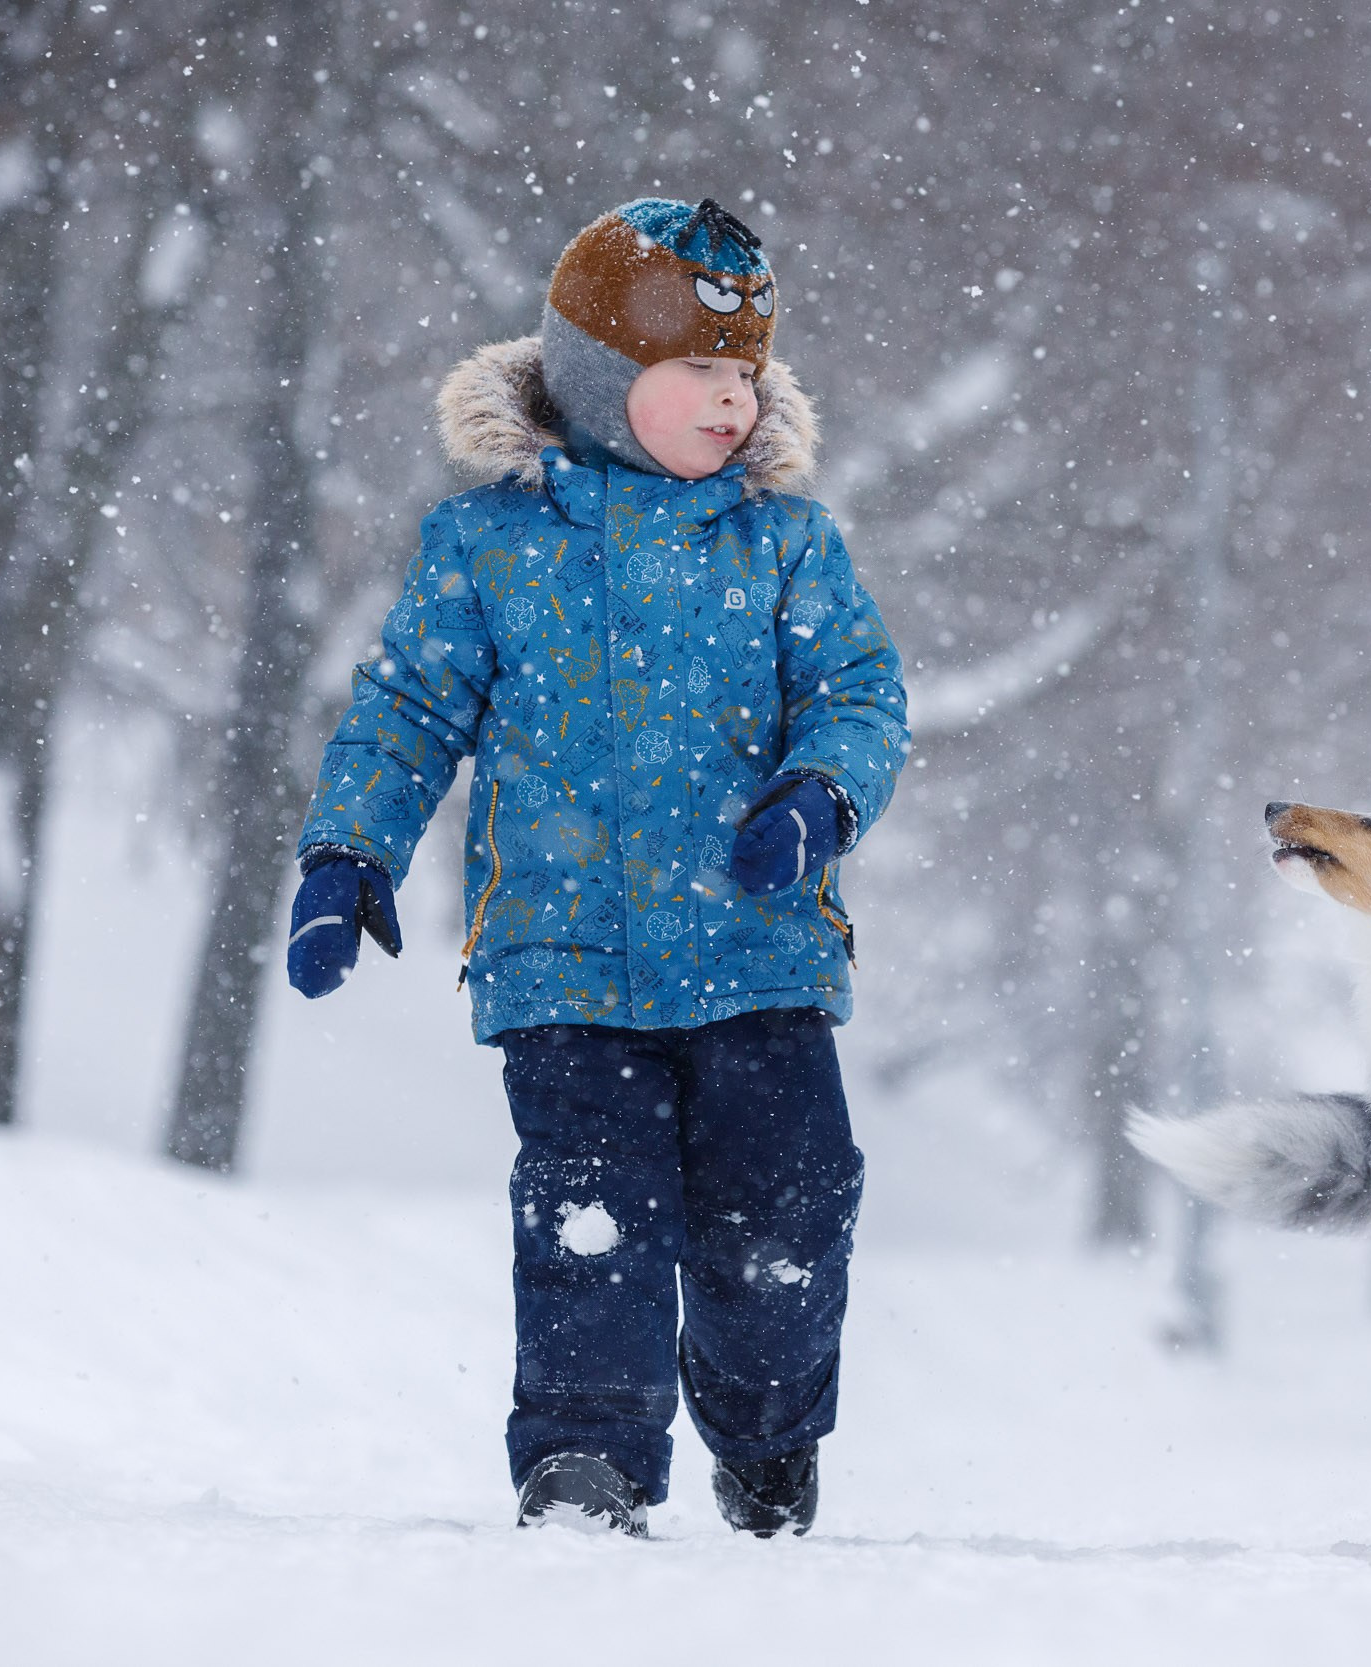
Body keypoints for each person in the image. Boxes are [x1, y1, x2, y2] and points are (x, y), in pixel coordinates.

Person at [285, 197, 908, 1538]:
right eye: (699, 373)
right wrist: (349, 852)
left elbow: (860, 692)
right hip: (565, 965)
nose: (732, 404)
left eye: (745, 375)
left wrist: (821, 791)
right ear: (602, 381)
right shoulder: (488, 545)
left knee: (786, 1227)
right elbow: (407, 713)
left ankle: (765, 1434)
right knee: (590, 1223)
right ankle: (587, 1461)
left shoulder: (783, 543)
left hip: (762, 959)